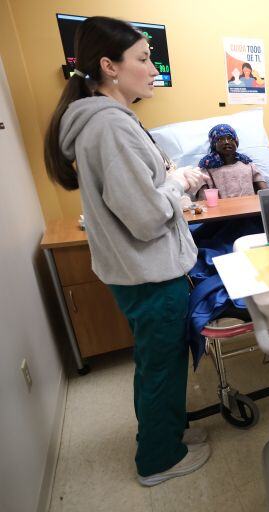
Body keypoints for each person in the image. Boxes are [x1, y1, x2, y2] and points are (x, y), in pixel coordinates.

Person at [43, 16, 211, 486]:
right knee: (160, 368)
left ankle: (169, 434)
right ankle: (158, 460)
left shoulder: (111, 119)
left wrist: (167, 174)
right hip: (149, 272)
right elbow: (143, 214)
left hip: (143, 270)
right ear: (108, 67)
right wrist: (176, 185)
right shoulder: (108, 126)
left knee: (163, 361)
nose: (154, 68)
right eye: (143, 58)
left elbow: (137, 184)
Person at [196, 124, 268, 199]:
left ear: (236, 142)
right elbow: (203, 200)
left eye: (230, 138)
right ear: (213, 144)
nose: (226, 142)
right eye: (220, 139)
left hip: (251, 208)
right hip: (223, 209)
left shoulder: (247, 164)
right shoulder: (207, 168)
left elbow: (265, 191)